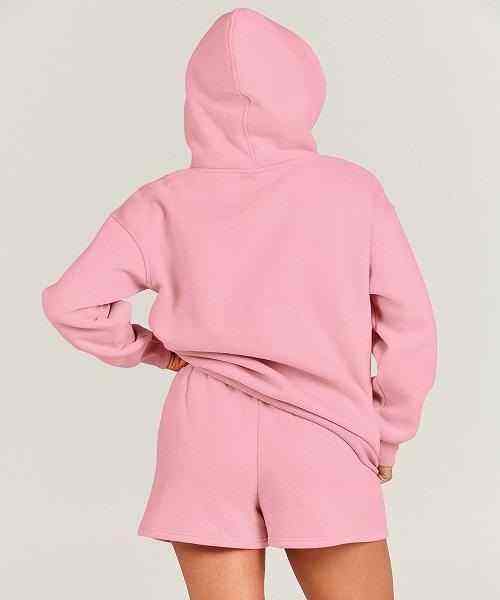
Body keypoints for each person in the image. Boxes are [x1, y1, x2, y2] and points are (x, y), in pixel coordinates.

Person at [42, 8, 437, 600]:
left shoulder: (160, 202)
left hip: (203, 432)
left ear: (197, 100)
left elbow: (71, 303)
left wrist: (154, 351)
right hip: (322, 430)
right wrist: (388, 431)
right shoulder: (352, 191)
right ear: (304, 90)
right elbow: (409, 326)